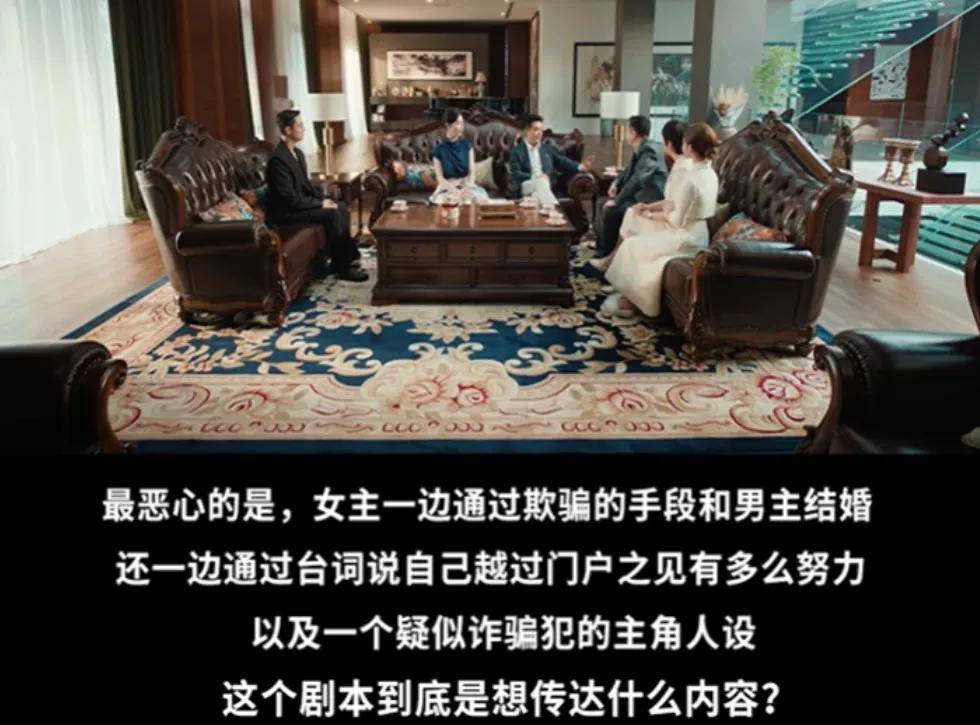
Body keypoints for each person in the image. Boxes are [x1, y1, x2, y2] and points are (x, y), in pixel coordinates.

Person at [600, 122, 720, 319]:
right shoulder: (710, 174)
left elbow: (675, 219)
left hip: (684, 238)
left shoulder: (690, 179)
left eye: (685, 143)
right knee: (634, 241)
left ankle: (630, 301)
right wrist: (658, 208)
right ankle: (626, 294)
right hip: (698, 233)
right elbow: (675, 207)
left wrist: (651, 213)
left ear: (689, 147)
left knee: (633, 245)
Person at [265, 109, 367, 282]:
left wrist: (324, 200)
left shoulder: (298, 154)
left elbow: (306, 187)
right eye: (300, 126)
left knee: (340, 206)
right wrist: (319, 205)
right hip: (286, 213)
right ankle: (344, 268)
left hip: (299, 205)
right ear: (288, 130)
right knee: (332, 214)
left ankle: (343, 261)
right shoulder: (278, 160)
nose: (304, 129)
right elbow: (288, 199)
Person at [592, 115, 665, 264]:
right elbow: (628, 170)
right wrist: (616, 181)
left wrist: (617, 201)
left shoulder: (649, 151)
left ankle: (607, 257)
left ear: (633, 132)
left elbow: (637, 179)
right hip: (638, 194)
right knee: (601, 203)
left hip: (647, 198)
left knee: (610, 210)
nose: (626, 133)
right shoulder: (642, 147)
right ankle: (601, 249)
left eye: (627, 130)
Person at [615, 119, 687, 242]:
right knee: (631, 214)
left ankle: (612, 252)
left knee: (630, 215)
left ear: (668, 143)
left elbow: (676, 212)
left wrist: (649, 214)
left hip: (675, 227)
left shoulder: (682, 170)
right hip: (665, 211)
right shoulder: (678, 165)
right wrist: (647, 207)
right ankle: (613, 253)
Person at [508, 114, 594, 205]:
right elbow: (516, 174)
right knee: (541, 182)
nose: (539, 133)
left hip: (544, 187)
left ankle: (542, 210)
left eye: (541, 130)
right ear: (526, 131)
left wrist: (581, 166)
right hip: (526, 185)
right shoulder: (517, 151)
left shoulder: (547, 148)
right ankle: (553, 206)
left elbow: (562, 161)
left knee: (535, 197)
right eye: (536, 130)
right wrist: (535, 176)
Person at [429, 108, 490, 205]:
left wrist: (467, 188)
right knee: (448, 202)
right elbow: (440, 178)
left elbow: (472, 173)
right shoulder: (438, 151)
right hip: (447, 188)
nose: (462, 127)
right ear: (448, 125)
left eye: (462, 124)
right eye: (458, 123)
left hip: (466, 186)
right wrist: (455, 191)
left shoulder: (467, 147)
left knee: (478, 199)